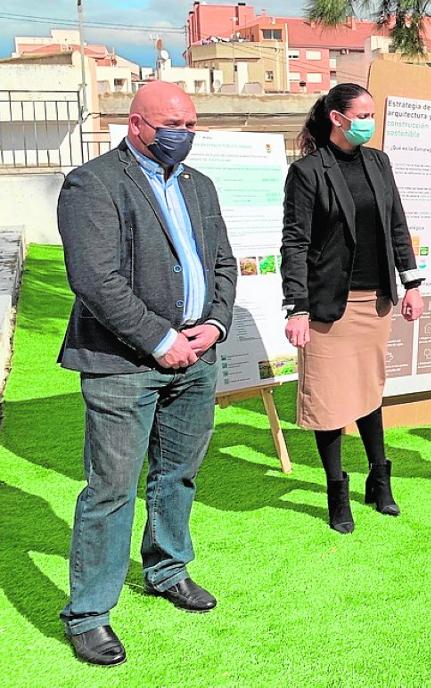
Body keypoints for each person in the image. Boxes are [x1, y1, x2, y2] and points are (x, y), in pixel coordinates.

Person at [56, 81, 238, 666]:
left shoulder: (199, 184)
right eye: (171, 125)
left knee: (178, 475)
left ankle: (167, 569)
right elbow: (95, 278)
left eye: (191, 124)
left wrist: (214, 325)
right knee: (111, 489)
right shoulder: (93, 183)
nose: (184, 134)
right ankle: (89, 614)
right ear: (136, 125)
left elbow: (223, 263)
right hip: (123, 364)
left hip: (197, 356)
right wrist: (160, 339)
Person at [281, 83, 424, 534]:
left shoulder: (379, 162)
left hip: (374, 301)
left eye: (371, 114)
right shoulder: (307, 171)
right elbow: (295, 243)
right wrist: (296, 307)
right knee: (328, 399)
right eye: (362, 115)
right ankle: (336, 489)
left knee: (367, 391)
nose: (369, 122)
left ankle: (379, 479)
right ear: (337, 118)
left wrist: (411, 284)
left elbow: (397, 225)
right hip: (328, 305)